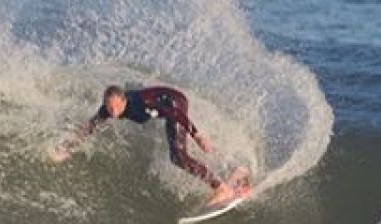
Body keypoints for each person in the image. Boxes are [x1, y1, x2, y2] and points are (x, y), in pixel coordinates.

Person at [51, 85, 246, 206]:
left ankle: (221, 188)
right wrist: (66, 148)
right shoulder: (108, 110)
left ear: (123, 100)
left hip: (174, 104)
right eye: (109, 107)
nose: (112, 111)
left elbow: (174, 114)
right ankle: (235, 168)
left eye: (116, 107)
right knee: (180, 155)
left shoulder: (140, 105)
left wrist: (196, 134)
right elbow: (90, 127)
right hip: (166, 106)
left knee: (178, 156)